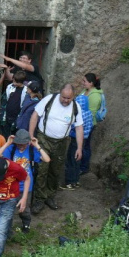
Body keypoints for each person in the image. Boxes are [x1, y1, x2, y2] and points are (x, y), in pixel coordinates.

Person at [29, 84, 84, 214]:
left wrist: (79, 148)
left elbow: (79, 127)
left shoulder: (76, 107)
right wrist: (31, 136)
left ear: (73, 97)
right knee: (42, 169)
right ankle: (39, 199)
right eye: (64, 97)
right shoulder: (49, 100)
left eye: (68, 98)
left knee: (55, 170)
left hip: (62, 143)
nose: (65, 100)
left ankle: (50, 196)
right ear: (60, 93)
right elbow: (35, 115)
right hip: (44, 139)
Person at [0, 130, 50, 234]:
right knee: (9, 208)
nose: (21, 147)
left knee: (24, 209)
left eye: (23, 144)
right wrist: (7, 143)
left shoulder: (31, 150)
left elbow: (47, 159)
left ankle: (26, 223)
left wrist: (37, 145)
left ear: (28, 142)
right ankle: (8, 228)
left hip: (26, 186)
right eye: (19, 144)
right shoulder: (11, 149)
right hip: (11, 185)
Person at [64, 94, 93, 189]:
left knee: (72, 159)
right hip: (84, 139)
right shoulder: (89, 113)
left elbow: (75, 126)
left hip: (76, 139)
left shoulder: (80, 114)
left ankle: (70, 182)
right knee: (77, 160)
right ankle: (76, 181)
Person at [79, 73, 103, 174]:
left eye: (84, 81)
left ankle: (83, 167)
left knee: (85, 146)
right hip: (80, 122)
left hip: (88, 124)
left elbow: (91, 113)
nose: (82, 83)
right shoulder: (85, 91)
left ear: (91, 83)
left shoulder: (95, 96)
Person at [0, 70, 28, 138]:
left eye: (15, 81)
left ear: (20, 82)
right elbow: (5, 101)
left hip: (16, 116)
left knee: (14, 134)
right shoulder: (9, 87)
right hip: (7, 115)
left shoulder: (26, 91)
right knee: (5, 134)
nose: (13, 82)